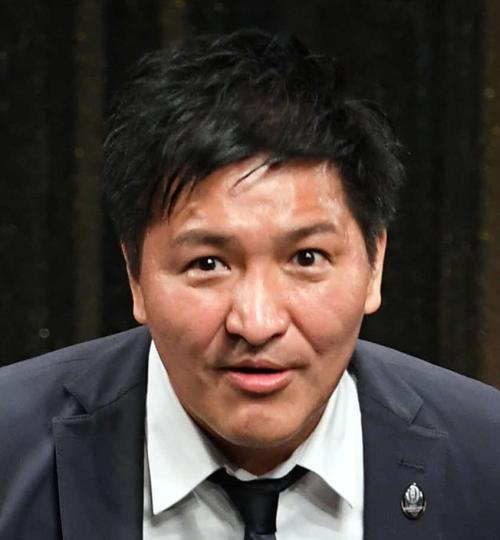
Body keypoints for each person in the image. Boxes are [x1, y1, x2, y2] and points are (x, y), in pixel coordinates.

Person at [1, 29, 499, 540]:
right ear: (135, 274)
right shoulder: (9, 450)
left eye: (306, 258)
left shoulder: (488, 458)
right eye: (208, 263)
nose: (257, 324)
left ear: (375, 265)